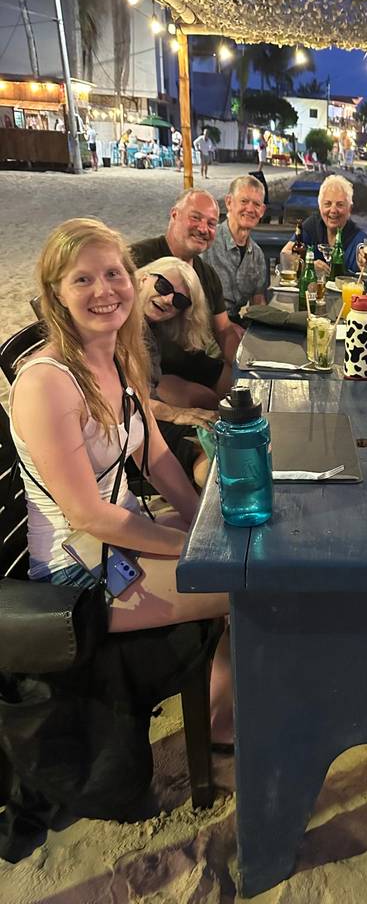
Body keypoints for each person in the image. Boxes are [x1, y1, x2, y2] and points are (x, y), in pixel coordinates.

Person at [9, 218, 232, 743]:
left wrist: (202, 522)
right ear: (56, 294)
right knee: (247, 583)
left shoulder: (119, 355)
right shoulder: (47, 384)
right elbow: (87, 516)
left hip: (122, 530)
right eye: (82, 279)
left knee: (241, 539)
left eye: (114, 274)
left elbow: (155, 456)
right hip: (79, 569)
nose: (104, 291)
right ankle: (223, 727)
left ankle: (226, 700)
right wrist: (189, 546)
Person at [130, 189, 241, 406]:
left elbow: (224, 329)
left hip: (193, 361)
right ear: (174, 215)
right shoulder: (137, 258)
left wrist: (244, 366)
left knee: (242, 390)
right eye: (195, 218)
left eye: (211, 224)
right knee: (205, 399)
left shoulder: (207, 275)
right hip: (152, 370)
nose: (203, 229)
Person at [136, 256, 217, 485]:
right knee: (212, 449)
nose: (169, 299)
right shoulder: (121, 324)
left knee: (214, 423)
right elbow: (123, 402)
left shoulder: (148, 327)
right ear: (143, 279)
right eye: (163, 286)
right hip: (128, 430)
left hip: (142, 412)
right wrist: (175, 413)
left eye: (180, 301)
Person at [201, 175, 268, 324]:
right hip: (203, 324)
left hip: (235, 322)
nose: (250, 209)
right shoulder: (206, 242)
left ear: (262, 211)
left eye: (256, 204)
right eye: (244, 201)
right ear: (229, 202)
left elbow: (258, 302)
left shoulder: (257, 255)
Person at [280, 174, 367, 276]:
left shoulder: (358, 239)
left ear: (349, 209)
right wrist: (308, 266)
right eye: (327, 204)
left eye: (340, 204)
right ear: (320, 206)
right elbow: (285, 254)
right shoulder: (312, 225)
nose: (333, 210)